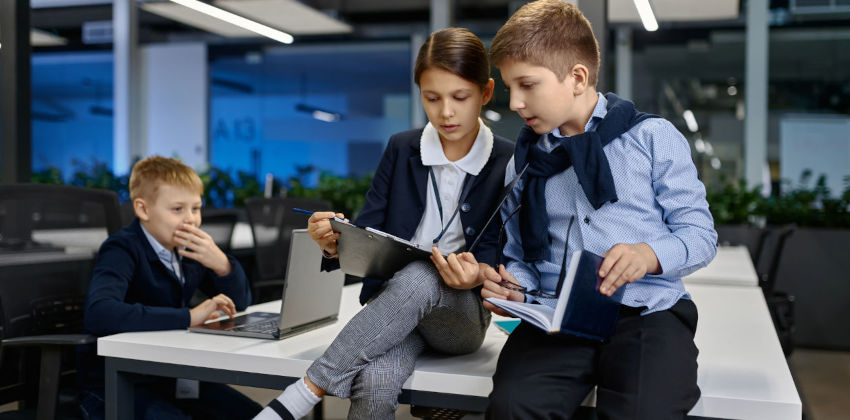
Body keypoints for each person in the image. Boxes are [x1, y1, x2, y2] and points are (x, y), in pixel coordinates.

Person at [254, 27, 514, 420]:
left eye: (460, 97)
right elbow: (370, 232)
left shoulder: (508, 161)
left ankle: (306, 391)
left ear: (486, 93)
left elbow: (504, 253)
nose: (445, 112)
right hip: (393, 310)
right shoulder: (401, 148)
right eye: (432, 98)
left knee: (422, 275)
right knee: (374, 382)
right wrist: (333, 242)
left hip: (460, 318)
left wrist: (479, 272)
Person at [478, 1, 718, 418]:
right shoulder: (523, 162)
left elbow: (700, 236)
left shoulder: (652, 138)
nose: (515, 102)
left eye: (527, 85)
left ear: (577, 77)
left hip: (647, 310)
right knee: (512, 406)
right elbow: (519, 255)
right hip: (557, 313)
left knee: (645, 411)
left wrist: (648, 255)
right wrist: (513, 286)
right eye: (508, 87)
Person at [77, 156, 261, 420]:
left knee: (257, 416)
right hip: (116, 382)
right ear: (143, 209)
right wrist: (188, 317)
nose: (191, 220)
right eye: (177, 209)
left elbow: (240, 303)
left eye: (196, 208)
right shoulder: (122, 249)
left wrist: (222, 265)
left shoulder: (185, 251)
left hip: (168, 375)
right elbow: (100, 313)